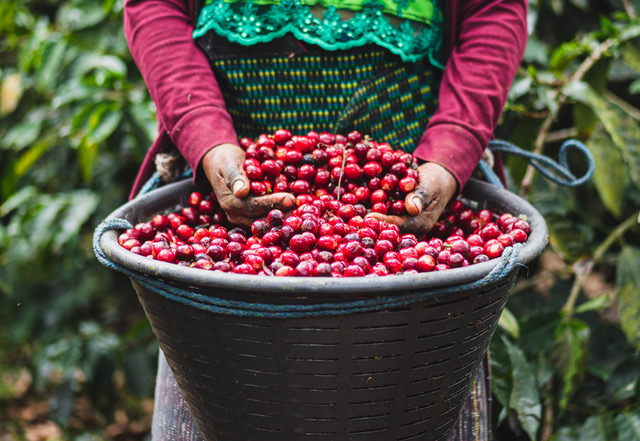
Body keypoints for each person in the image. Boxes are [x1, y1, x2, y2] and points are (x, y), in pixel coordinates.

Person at [123, 0, 528, 439]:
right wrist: (204, 134)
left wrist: (451, 151)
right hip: (225, 209)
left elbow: (494, 11)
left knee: (415, 391)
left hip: (424, 216)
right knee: (223, 393)